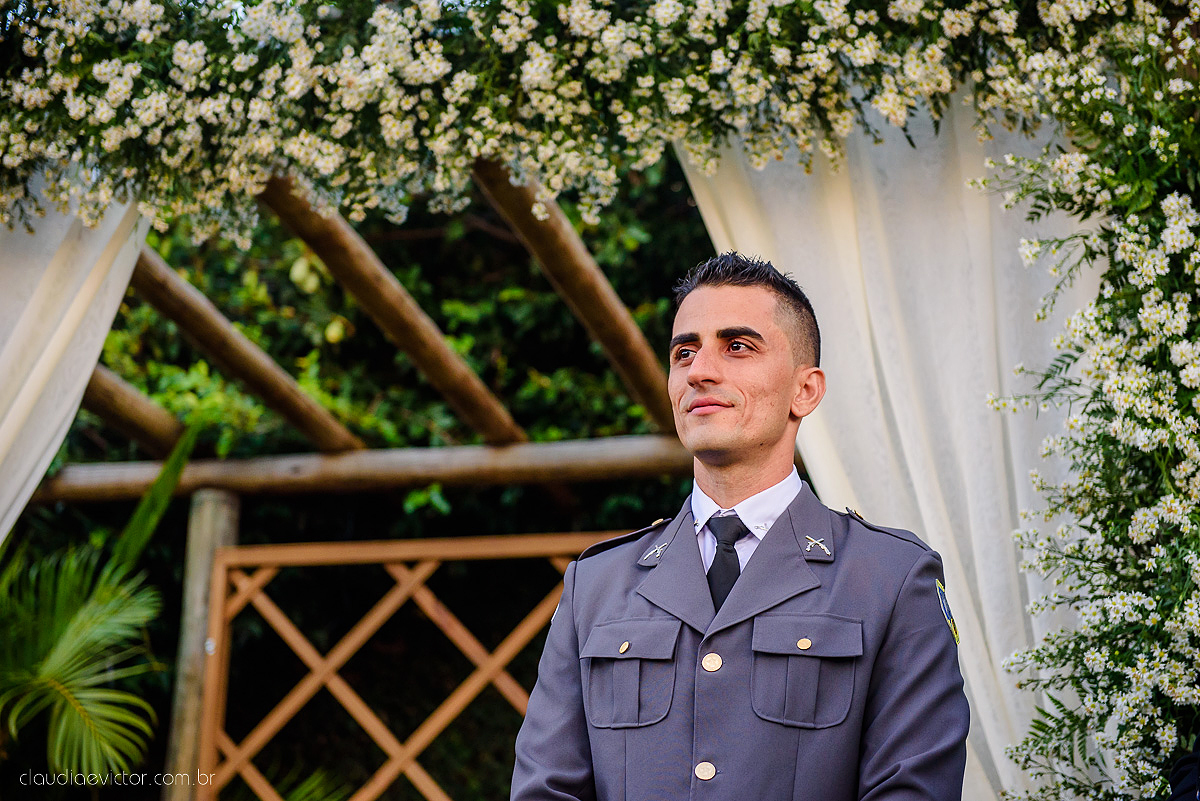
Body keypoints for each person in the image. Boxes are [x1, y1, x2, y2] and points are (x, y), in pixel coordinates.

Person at [511, 252, 970, 801]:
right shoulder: (597, 586)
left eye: (738, 346)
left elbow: (912, 791)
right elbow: (546, 790)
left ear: (806, 390)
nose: (700, 370)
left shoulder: (890, 579)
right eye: (685, 352)